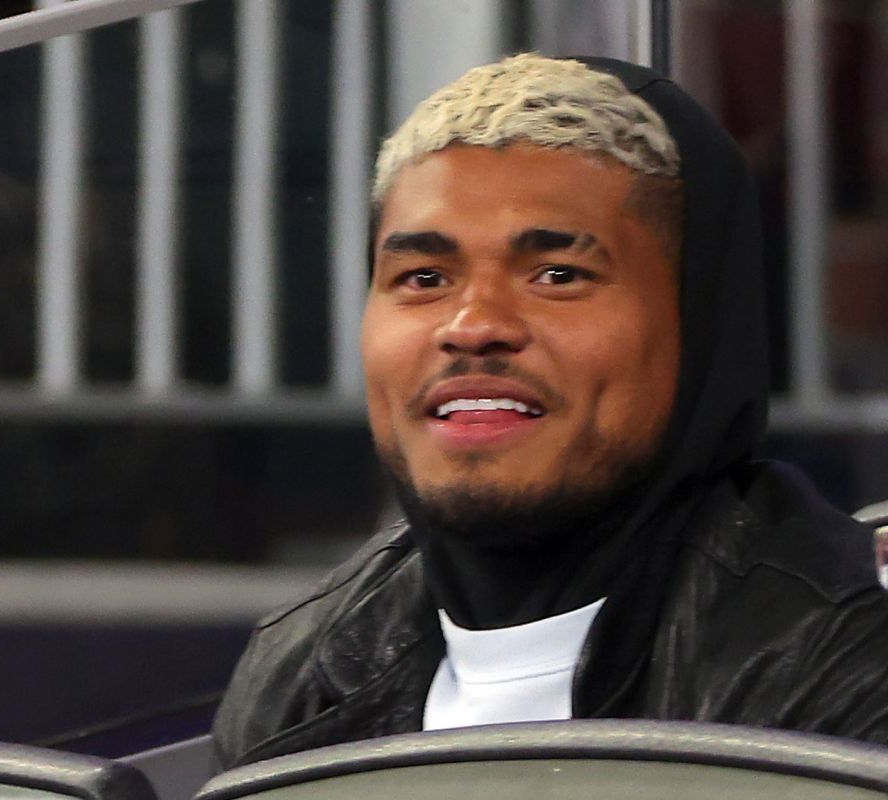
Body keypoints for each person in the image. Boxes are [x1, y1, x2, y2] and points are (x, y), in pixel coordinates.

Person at [211, 53, 888, 769]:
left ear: (701, 325)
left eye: (558, 275)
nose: (473, 324)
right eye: (424, 278)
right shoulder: (300, 667)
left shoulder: (843, 666)